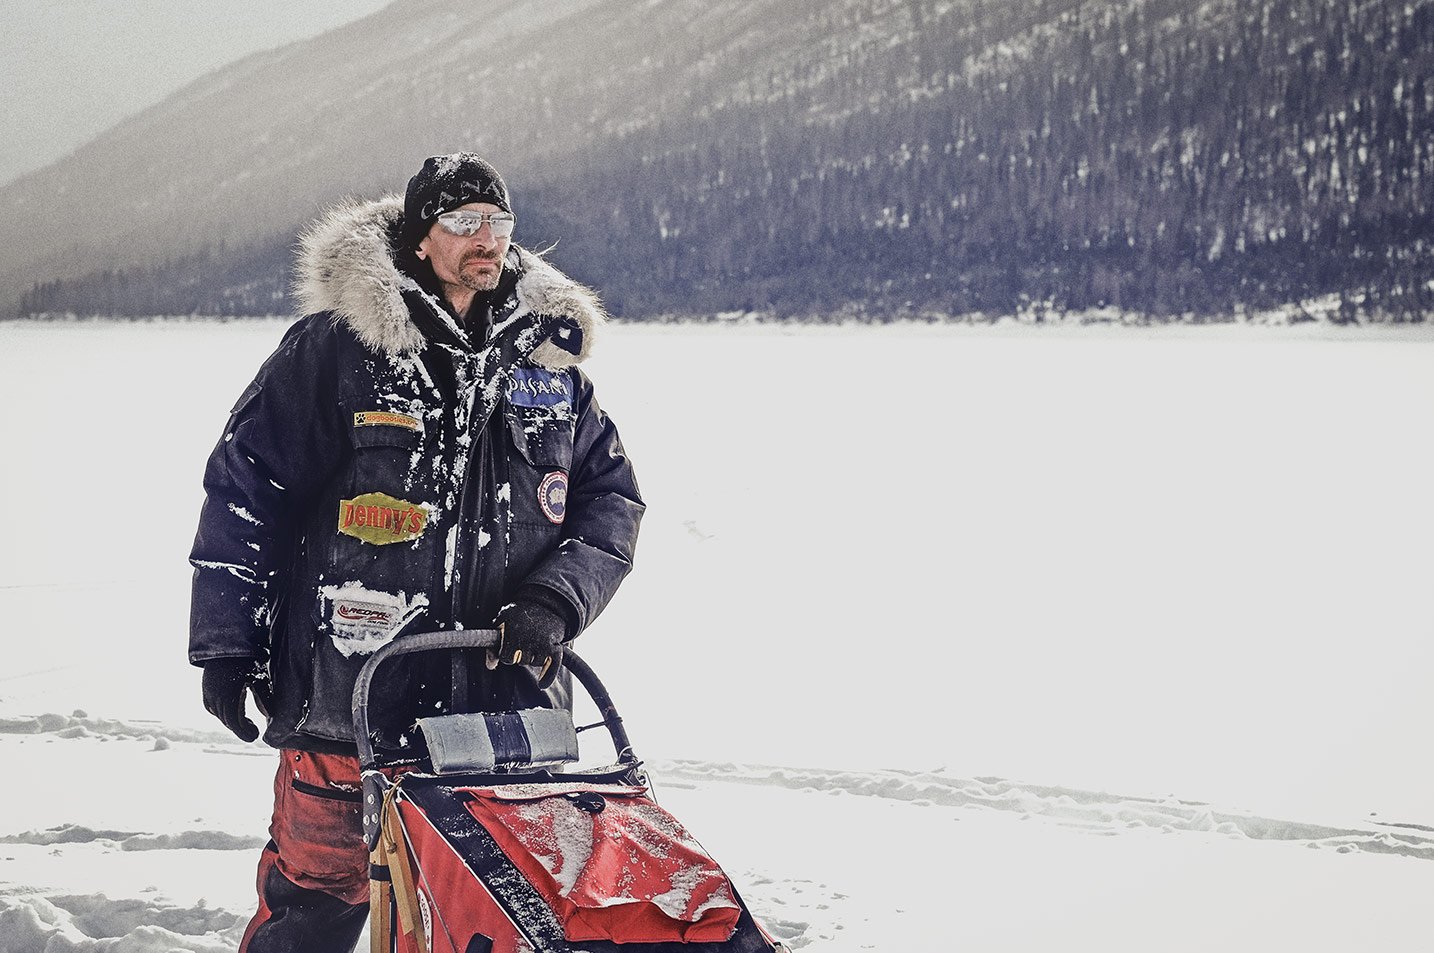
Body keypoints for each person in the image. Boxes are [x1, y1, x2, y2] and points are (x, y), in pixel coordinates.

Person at [188, 153, 644, 953]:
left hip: (502, 711)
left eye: (497, 223)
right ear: (419, 236)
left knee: (484, 917)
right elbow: (245, 489)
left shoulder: (549, 366)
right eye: (463, 222)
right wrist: (226, 644)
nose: (486, 239)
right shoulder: (336, 348)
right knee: (313, 906)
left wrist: (553, 602)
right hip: (349, 695)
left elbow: (612, 501)